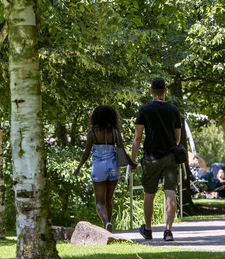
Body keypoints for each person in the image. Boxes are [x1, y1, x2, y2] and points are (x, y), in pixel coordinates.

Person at [131, 77, 182, 241]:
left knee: (149, 194)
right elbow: (178, 138)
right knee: (170, 193)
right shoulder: (174, 110)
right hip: (170, 157)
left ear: (151, 91)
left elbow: (137, 137)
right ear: (165, 91)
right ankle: (168, 231)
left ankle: (147, 229)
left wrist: (133, 160)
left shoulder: (144, 109)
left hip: (151, 158)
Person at [73, 105, 137, 232]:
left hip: (99, 168)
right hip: (114, 167)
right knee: (109, 200)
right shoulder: (115, 132)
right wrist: (132, 164)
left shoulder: (92, 132)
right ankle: (108, 229)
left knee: (100, 202)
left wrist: (79, 168)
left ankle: (106, 222)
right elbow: (122, 150)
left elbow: (86, 154)